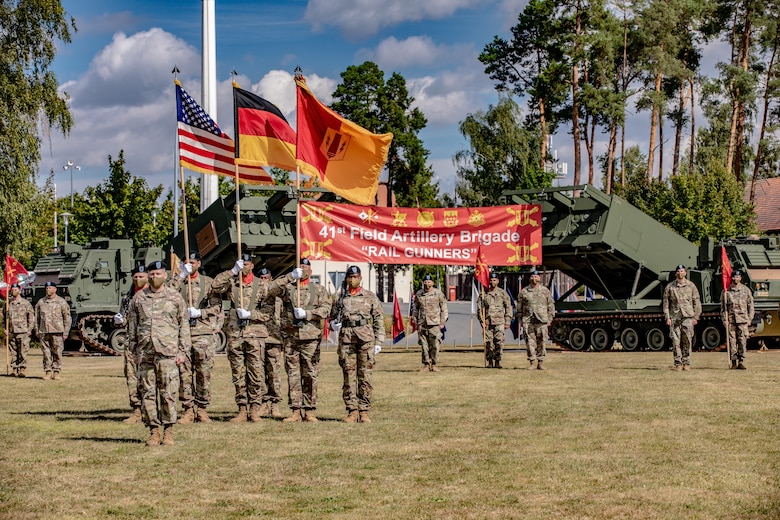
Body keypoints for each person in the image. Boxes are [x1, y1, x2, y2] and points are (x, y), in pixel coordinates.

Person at [126, 261, 189, 446]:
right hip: (146, 352)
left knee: (168, 391)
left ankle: (168, 430)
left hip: (168, 352)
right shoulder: (139, 299)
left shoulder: (175, 298)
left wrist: (183, 351)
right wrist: (133, 351)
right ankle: (153, 431)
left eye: (158, 274)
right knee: (148, 392)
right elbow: (132, 327)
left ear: (165, 275)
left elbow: (183, 326)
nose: (155, 277)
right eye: (151, 274)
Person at [267, 258, 331, 423]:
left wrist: (308, 314)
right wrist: (289, 276)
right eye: (300, 267)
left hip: (310, 337)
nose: (303, 269)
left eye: (305, 267)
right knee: (293, 374)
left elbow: (326, 309)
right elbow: (270, 289)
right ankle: (295, 409)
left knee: (310, 372)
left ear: (310, 270)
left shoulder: (318, 289)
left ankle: (309, 410)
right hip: (291, 336)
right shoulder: (288, 288)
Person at [212, 253, 270, 423]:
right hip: (235, 333)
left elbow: (269, 313)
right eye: (241, 264)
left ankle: (254, 408)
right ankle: (242, 409)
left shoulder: (262, 286)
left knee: (256, 372)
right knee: (238, 372)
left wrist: (251, 314)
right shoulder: (232, 283)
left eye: (247, 264)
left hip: (254, 334)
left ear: (252, 266)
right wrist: (232, 271)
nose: (244, 267)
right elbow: (215, 286)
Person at [170, 251, 223, 424]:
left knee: (203, 372)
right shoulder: (178, 282)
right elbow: (166, 294)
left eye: (192, 262)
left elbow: (216, 307)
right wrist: (181, 275)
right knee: (184, 373)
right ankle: (187, 409)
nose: (189, 265)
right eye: (186, 262)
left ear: (199, 264)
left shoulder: (208, 283)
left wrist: (201, 312)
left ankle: (202, 408)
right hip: (182, 333)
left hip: (203, 333)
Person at [329, 265, 384, 423]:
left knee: (365, 376)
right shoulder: (341, 298)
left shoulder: (369, 296)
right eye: (350, 277)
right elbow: (332, 318)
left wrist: (379, 341)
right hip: (347, 341)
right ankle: (352, 411)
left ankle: (364, 410)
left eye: (355, 276)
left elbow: (379, 319)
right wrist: (333, 324)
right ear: (347, 279)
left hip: (365, 340)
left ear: (360, 278)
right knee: (349, 376)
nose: (352, 279)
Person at [113, 265, 148, 423]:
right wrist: (120, 319)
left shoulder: (153, 295)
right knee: (132, 376)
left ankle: (152, 409)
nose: (138, 279)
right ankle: (137, 410)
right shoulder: (128, 297)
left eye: (141, 276)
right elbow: (125, 317)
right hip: (131, 342)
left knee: (150, 377)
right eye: (135, 277)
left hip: (149, 342)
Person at [663, 264, 702, 371]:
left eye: (682, 271)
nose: (680, 273)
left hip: (687, 317)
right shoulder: (670, 287)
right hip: (675, 317)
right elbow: (666, 303)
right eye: (678, 271)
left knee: (687, 341)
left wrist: (696, 317)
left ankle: (687, 363)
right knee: (676, 342)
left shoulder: (691, 286)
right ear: (676, 273)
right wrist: (667, 317)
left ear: (685, 273)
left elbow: (697, 302)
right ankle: (678, 363)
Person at [257, 267, 284, 418]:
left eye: (267, 278)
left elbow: (283, 317)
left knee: (274, 373)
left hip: (274, 338)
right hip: (258, 338)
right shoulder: (256, 297)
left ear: (271, 279)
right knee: (259, 373)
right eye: (262, 279)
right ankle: (263, 403)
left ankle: (275, 404)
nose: (264, 281)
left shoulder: (278, 297)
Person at [34, 281, 71, 380]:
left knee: (57, 352)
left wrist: (66, 332)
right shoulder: (41, 302)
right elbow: (36, 318)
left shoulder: (61, 302)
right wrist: (37, 331)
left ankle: (56, 371)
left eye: (50, 288)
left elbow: (67, 318)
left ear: (55, 289)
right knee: (46, 353)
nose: (48, 289)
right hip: (44, 331)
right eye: (46, 288)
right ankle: (48, 371)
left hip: (57, 331)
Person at [519, 269, 555, 370]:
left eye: (536, 277)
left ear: (539, 279)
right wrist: (520, 320)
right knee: (530, 342)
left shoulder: (545, 291)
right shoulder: (524, 292)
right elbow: (519, 307)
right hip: (528, 320)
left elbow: (551, 305)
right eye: (532, 276)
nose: (533, 278)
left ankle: (541, 362)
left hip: (542, 320)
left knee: (542, 341)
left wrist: (550, 318)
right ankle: (532, 362)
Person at [412, 274, 448, 372]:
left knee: (435, 345)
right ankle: (426, 364)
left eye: (429, 282)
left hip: (435, 323)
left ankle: (434, 364)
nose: (427, 284)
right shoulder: (419, 294)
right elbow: (415, 309)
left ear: (432, 283)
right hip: (423, 323)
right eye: (425, 282)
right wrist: (415, 321)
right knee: (424, 345)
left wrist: (442, 322)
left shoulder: (438, 293)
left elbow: (444, 309)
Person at [477, 272, 513, 368]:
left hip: (499, 322)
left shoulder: (502, 293)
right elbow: (479, 309)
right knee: (488, 342)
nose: (492, 282)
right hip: (488, 322)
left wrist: (508, 320)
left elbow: (508, 307)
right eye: (491, 280)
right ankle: (489, 361)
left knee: (499, 341)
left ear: (497, 281)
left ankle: (497, 361)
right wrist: (481, 321)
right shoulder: (484, 294)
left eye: (494, 280)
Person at [721, 270, 754, 370]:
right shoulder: (726, 291)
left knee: (742, 341)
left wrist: (750, 318)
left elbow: (750, 305)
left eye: (738, 277)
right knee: (732, 341)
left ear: (740, 278)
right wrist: (724, 319)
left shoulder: (746, 290)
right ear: (732, 278)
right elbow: (723, 307)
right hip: (731, 320)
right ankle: (733, 362)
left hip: (743, 320)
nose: (736, 279)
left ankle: (741, 361)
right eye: (734, 277)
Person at [4, 283, 34, 377]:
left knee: (23, 352)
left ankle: (22, 369)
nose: (14, 291)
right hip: (12, 331)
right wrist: (4, 328)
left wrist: (30, 329)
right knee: (13, 352)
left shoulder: (25, 303)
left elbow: (31, 317)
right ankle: (14, 369)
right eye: (12, 290)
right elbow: (4, 318)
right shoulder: (8, 304)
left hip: (23, 331)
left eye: (16, 289)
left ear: (20, 291)